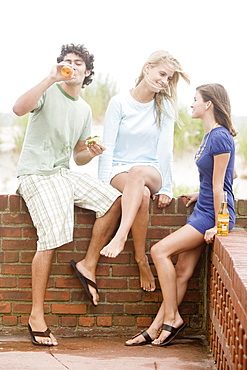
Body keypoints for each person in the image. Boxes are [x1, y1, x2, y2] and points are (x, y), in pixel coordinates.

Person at [13, 44, 122, 347]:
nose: (70, 65)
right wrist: (49, 79)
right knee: (51, 237)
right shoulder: (48, 90)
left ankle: (88, 264)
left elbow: (78, 157)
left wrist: (92, 151)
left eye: (77, 63)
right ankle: (36, 315)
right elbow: (18, 109)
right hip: (35, 174)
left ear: (87, 72)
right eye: (65, 61)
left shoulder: (84, 110)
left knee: (114, 199)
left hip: (63, 174)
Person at [125, 83, 237, 346]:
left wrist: (220, 226)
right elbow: (223, 176)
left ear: (208, 104)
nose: (191, 103)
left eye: (195, 99)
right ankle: (155, 328)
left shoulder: (220, 136)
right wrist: (201, 193)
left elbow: (222, 185)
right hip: (204, 207)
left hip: (212, 215)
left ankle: (172, 318)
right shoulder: (210, 135)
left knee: (159, 251)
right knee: (183, 271)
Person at [98, 50, 190, 292]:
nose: (164, 81)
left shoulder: (165, 105)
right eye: (162, 74)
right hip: (119, 169)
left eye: (169, 78)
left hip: (151, 171)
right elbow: (107, 148)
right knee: (141, 195)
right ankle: (141, 259)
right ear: (147, 68)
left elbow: (165, 151)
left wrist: (167, 187)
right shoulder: (119, 103)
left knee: (138, 173)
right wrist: (100, 184)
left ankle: (120, 237)